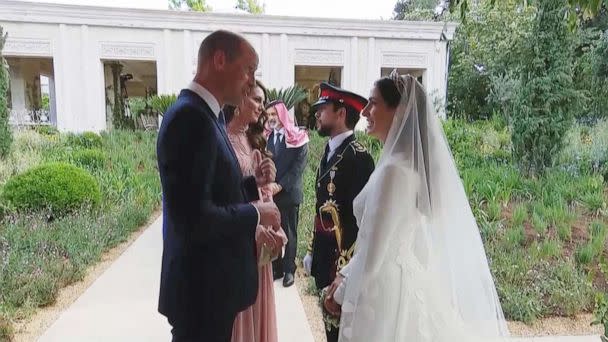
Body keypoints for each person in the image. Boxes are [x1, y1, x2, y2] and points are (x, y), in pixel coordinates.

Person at [325, 71, 509, 342]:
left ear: (399, 110)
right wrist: (344, 274)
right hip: (400, 281)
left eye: (373, 103)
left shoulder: (394, 172)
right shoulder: (401, 166)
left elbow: (374, 256)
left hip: (383, 297)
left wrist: (339, 293)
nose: (364, 111)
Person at [157, 30, 281, 342]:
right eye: (249, 69)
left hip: (210, 292)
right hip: (202, 295)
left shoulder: (204, 115)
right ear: (220, 60)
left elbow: (214, 189)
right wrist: (256, 214)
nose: (251, 81)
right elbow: (196, 220)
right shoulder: (191, 118)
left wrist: (254, 186)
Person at [303, 82, 375, 342]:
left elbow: (364, 221)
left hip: (343, 266)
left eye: (323, 108)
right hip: (325, 260)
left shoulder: (358, 158)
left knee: (345, 333)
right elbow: (321, 207)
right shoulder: (330, 150)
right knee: (330, 330)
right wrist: (312, 249)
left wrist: (346, 273)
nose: (317, 114)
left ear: (341, 113)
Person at [225, 80, 287, 342]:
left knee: (258, 304)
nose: (263, 108)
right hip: (239, 235)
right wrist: (255, 224)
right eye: (258, 100)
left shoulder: (250, 138)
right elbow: (223, 193)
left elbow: (247, 188)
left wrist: (261, 183)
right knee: (240, 312)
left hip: (260, 240)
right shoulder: (222, 138)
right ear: (239, 100)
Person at [265, 100, 309, 287]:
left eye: (274, 114)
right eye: (268, 116)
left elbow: (298, 168)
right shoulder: (266, 137)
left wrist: (280, 185)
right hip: (271, 195)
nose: (271, 119)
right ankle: (277, 268)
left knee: (290, 233)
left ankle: (289, 270)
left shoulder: (298, 137)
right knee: (274, 232)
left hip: (289, 193)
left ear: (282, 115)